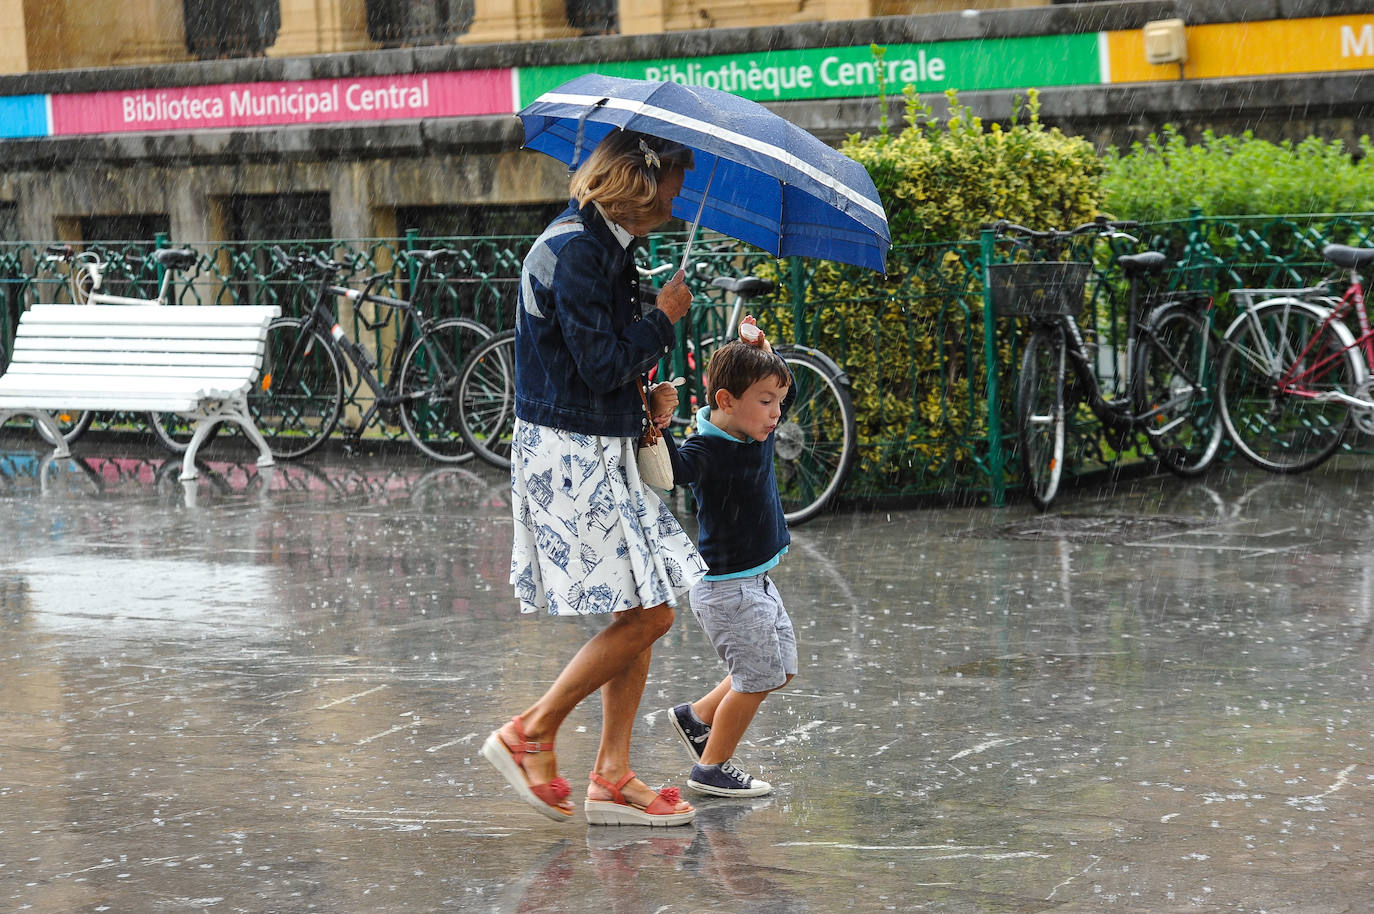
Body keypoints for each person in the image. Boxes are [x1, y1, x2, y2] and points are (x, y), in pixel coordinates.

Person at [481, 129, 708, 827]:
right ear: (643, 179)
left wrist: (647, 400)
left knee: (642, 610)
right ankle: (531, 731)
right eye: (674, 186)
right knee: (652, 613)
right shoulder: (578, 251)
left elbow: (598, 364)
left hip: (595, 443)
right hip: (571, 454)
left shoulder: (605, 247)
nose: (677, 201)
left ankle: (611, 776)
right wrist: (662, 321)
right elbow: (600, 364)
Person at [658, 320, 797, 798]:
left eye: (779, 401)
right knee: (756, 679)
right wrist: (658, 424)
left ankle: (696, 718)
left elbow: (782, 388)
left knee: (779, 670)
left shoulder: (757, 429)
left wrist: (765, 351)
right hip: (728, 590)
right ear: (726, 400)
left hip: (756, 582)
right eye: (767, 401)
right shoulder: (708, 449)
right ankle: (711, 767)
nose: (777, 413)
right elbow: (674, 471)